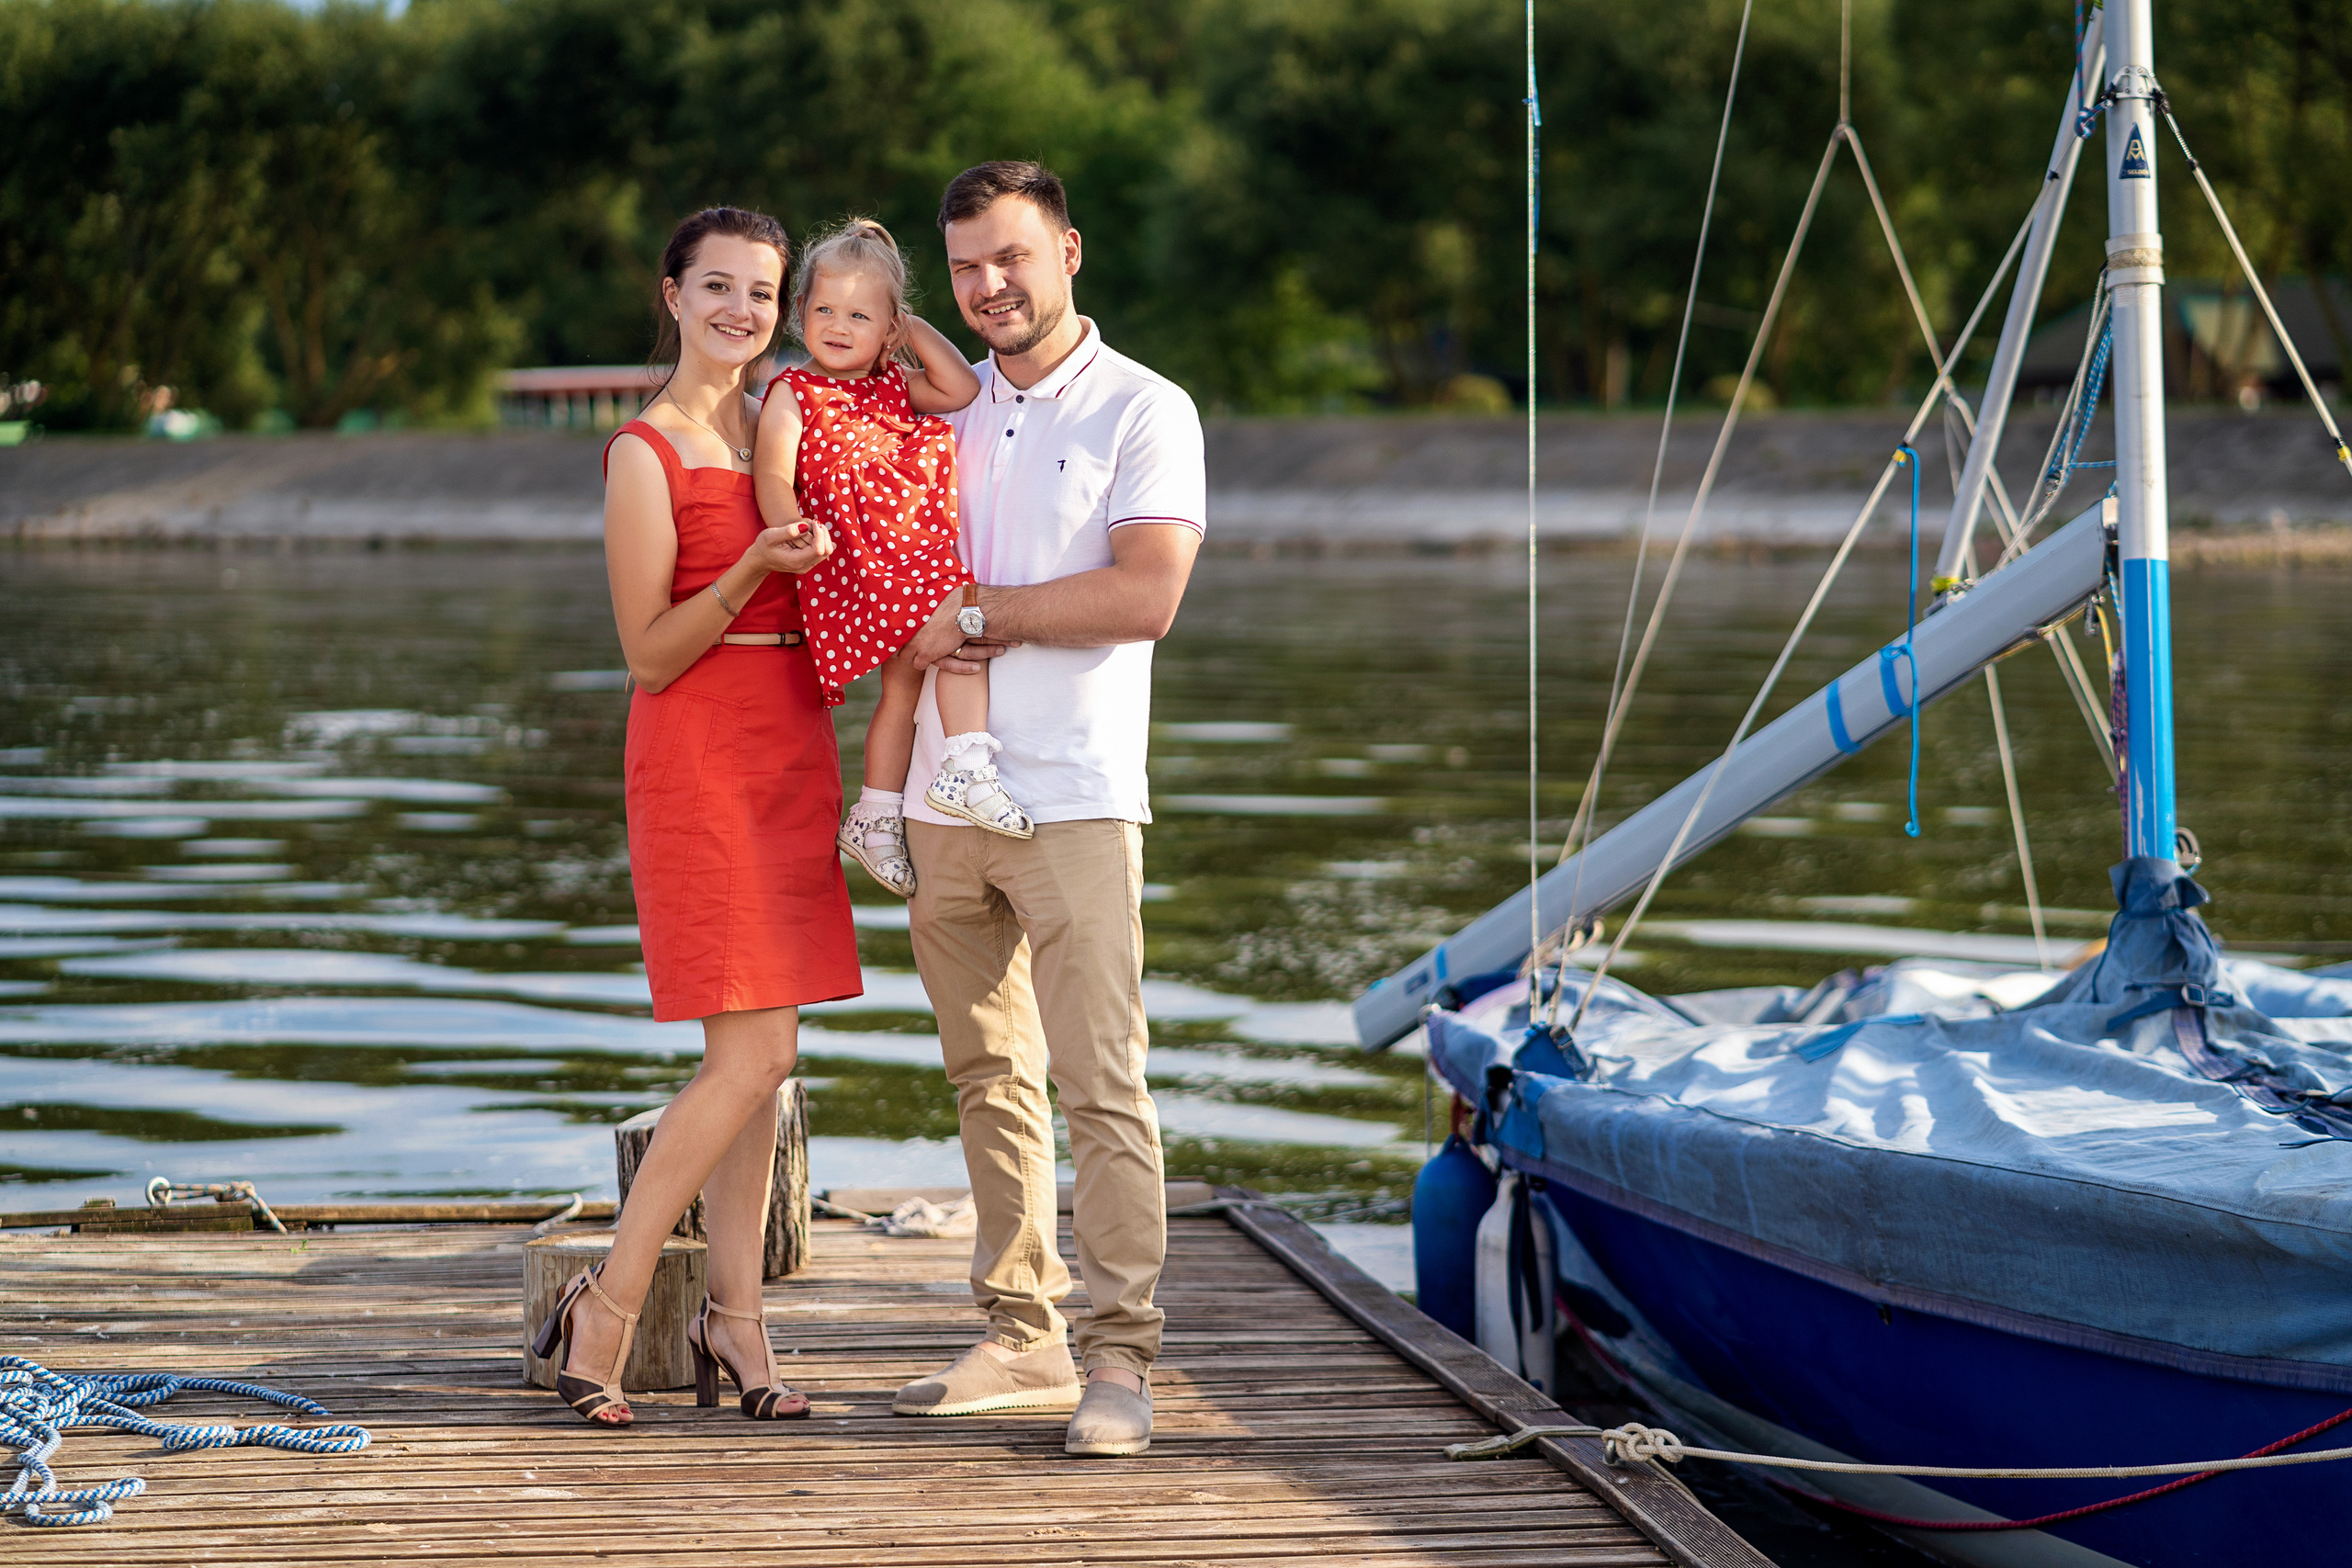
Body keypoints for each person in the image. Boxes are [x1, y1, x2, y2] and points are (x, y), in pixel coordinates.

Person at [885, 162, 1204, 1459]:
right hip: (940, 796)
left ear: (1069, 250)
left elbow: (1146, 595)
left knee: (1100, 1082)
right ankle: (1023, 1330)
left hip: (1074, 795)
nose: (989, 287)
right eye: (965, 266)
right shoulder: (938, 413)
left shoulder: (1146, 406)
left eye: (1011, 256)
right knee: (986, 1075)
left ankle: (1121, 1355)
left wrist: (976, 619)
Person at [530, 206, 861, 1428]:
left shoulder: (790, 416)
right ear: (669, 294)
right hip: (700, 752)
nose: (742, 310)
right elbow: (651, 651)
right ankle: (608, 1301)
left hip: (791, 745)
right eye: (717, 286)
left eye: (764, 292)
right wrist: (756, 567)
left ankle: (736, 1313)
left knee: (768, 1068)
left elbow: (911, 363)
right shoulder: (644, 451)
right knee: (752, 1053)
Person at [749, 219, 1033, 906]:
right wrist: (789, 525)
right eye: (823, 310)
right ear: (799, 315)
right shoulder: (796, 391)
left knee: (906, 684)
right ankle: (963, 765)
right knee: (958, 635)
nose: (839, 326)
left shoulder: (892, 384)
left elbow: (962, 388)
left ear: (888, 327)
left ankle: (878, 812)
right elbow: (772, 471)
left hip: (908, 557)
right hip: (855, 564)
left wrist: (911, 329)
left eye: (860, 315)